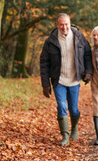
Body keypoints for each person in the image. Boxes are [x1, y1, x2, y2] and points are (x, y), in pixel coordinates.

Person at [40, 13, 93, 146]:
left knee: (74, 109)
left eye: (66, 24)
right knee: (62, 106)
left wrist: (88, 72)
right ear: (57, 25)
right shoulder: (50, 41)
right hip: (59, 80)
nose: (64, 27)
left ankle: (74, 128)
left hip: (74, 79)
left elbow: (87, 54)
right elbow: (44, 62)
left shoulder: (79, 37)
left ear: (70, 24)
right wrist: (45, 84)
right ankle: (65, 135)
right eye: (61, 25)